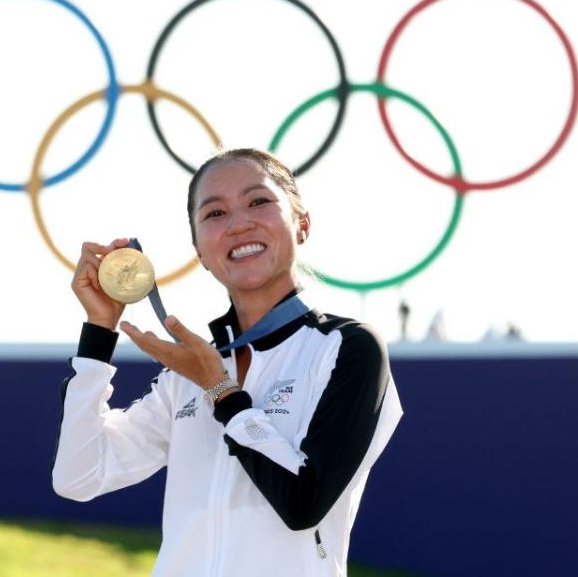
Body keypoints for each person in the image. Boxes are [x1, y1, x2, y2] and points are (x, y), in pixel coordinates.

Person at [52, 148, 403, 576]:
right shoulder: (188, 374)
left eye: (258, 202)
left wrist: (222, 392)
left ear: (302, 224)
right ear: (199, 250)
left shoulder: (347, 347)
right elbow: (78, 476)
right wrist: (98, 333)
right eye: (215, 213)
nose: (238, 223)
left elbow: (302, 502)